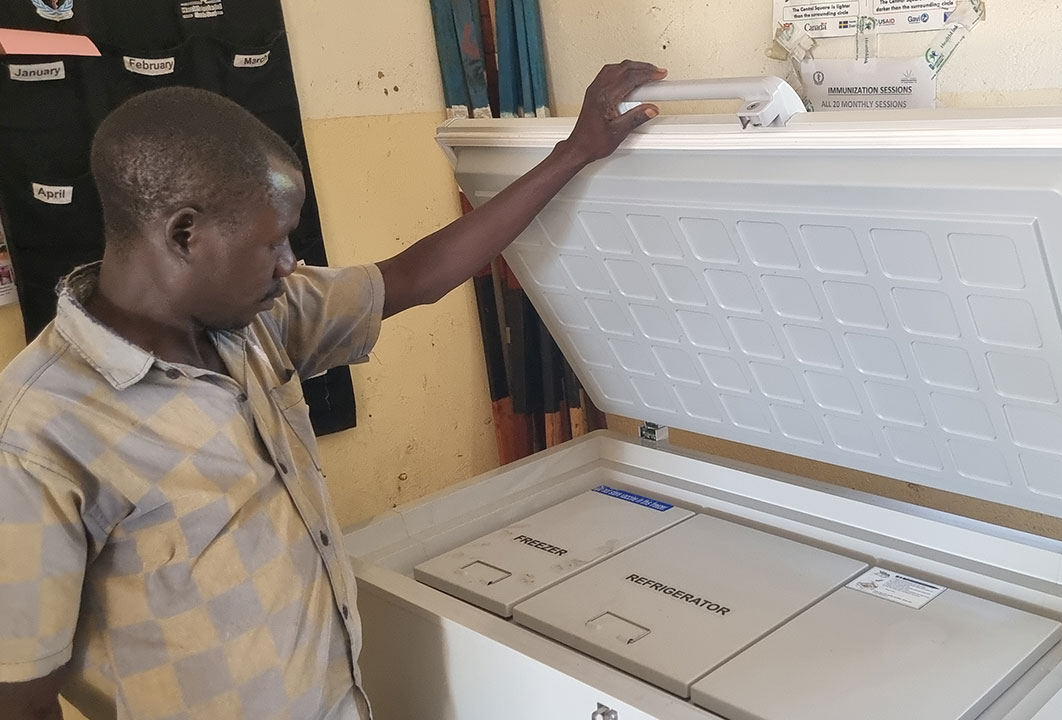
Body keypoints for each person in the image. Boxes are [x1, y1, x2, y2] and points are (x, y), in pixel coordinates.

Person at [0, 60, 666, 720]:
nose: (291, 263)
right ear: (184, 234)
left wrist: (575, 153)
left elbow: (414, 276)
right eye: (273, 242)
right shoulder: (37, 435)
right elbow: (20, 696)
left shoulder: (257, 322)